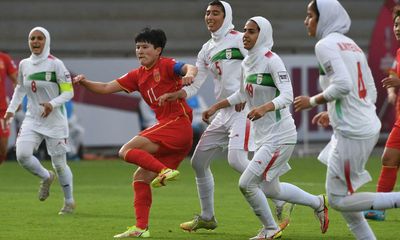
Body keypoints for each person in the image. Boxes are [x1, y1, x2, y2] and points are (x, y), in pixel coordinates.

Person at [158, 0, 294, 232]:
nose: (210, 16)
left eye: (216, 13)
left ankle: (278, 197)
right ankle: (208, 216)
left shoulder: (240, 38)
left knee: (236, 160)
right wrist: (179, 93)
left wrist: (247, 98)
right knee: (198, 162)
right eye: (207, 13)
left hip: (242, 110)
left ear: (226, 15)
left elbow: (257, 65)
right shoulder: (206, 49)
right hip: (223, 111)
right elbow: (197, 82)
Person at [203, 16, 329, 240]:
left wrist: (264, 108)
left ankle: (270, 229)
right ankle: (318, 202)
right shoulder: (246, 62)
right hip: (264, 136)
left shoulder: (272, 60)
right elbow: (242, 94)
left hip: (280, 135)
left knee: (247, 184)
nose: (245, 35)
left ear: (263, 35)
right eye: (244, 30)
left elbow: (288, 95)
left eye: (252, 31)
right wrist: (215, 106)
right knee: (273, 190)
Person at [73, 27, 197, 239]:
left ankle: (163, 171)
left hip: (178, 124)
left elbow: (189, 67)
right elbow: (104, 88)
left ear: (158, 50)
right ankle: (141, 228)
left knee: (126, 150)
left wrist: (189, 76)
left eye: (145, 47)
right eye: (137, 47)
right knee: (140, 176)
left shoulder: (166, 65)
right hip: (170, 129)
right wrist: (84, 82)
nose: (140, 51)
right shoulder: (137, 75)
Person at [294, 1, 400, 239]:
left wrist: (312, 101)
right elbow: (369, 91)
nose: (306, 21)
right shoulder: (350, 44)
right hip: (360, 126)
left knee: (337, 200)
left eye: (310, 15)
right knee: (345, 199)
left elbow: (342, 84)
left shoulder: (325, 45)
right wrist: (333, 114)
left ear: (325, 18)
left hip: (353, 132)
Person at [4, 26, 75, 215]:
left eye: (39, 38)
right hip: (32, 118)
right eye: (32, 38)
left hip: (55, 121)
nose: (35, 41)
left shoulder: (56, 64)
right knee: (22, 155)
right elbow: (20, 88)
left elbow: (69, 91)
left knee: (59, 164)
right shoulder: (24, 64)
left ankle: (69, 201)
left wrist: (52, 103)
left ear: (47, 41)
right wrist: (11, 110)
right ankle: (45, 177)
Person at [365, 5, 400, 222]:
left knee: (389, 157)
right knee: (389, 158)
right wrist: (390, 90)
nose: (397, 28)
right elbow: (393, 74)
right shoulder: (399, 52)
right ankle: (379, 207)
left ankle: (378, 206)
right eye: (396, 24)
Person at [0, 51, 17, 164]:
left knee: (3, 149)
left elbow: (16, 80)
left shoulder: (4, 58)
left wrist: (17, 100)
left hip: (2, 110)